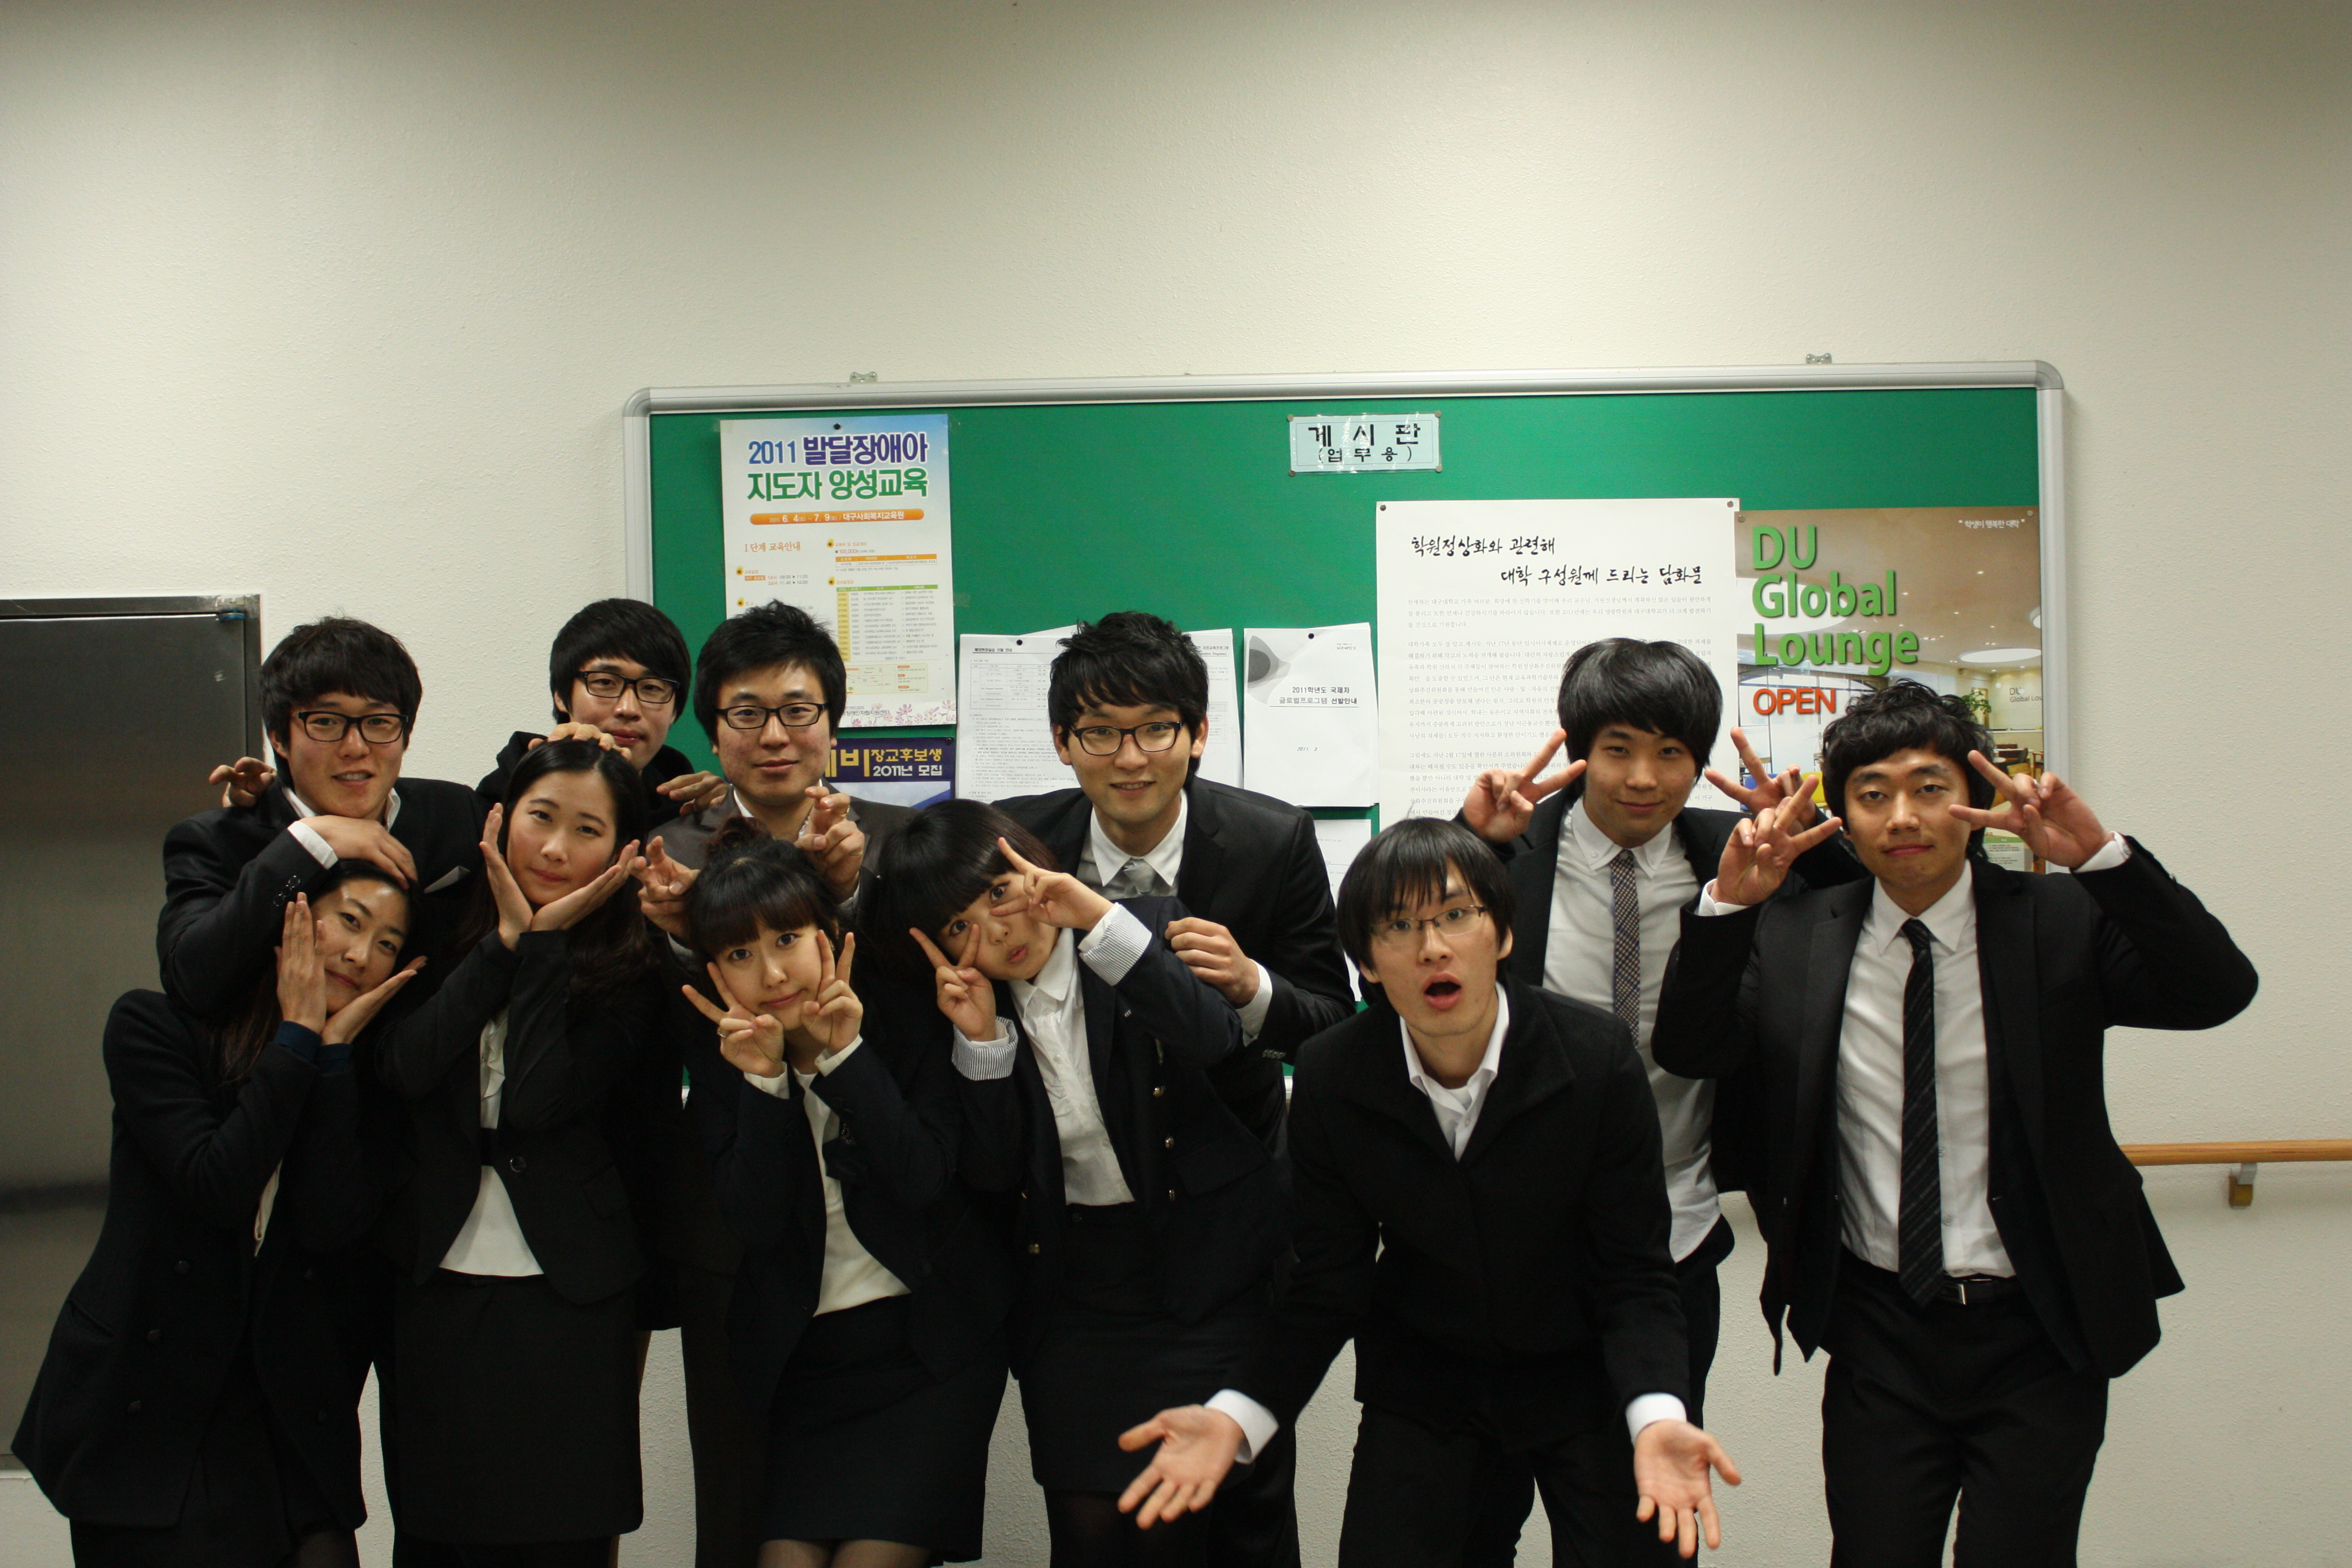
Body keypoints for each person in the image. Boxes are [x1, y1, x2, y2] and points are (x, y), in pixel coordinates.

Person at [1651, 680, 2258, 1566]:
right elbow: (1693, 1049)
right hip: (1879, 1327)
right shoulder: (1796, 934)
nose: (1903, 816)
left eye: (1929, 788)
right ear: (1843, 816)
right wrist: (1730, 908)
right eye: (1873, 794)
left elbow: (2218, 991)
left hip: (2041, 1326)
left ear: (1971, 802)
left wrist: (2103, 860)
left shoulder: (2059, 919)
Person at [1116, 818, 1741, 1567]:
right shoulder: (1333, 1074)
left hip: (1586, 1375)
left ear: (1502, 934)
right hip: (1427, 1382)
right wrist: (1237, 1414)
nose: (1433, 947)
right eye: (1400, 926)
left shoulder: (1595, 1059)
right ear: (1368, 963)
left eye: (1455, 915)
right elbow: (1327, 1284)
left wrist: (1658, 1415)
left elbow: (1635, 1274)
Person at [1455, 638, 1861, 1564]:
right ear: (1579, 751)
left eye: (1670, 752)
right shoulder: (1508, 853)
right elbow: (1396, 961)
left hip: (1669, 1241)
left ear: (1699, 759)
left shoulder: (1738, 851)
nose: (1643, 778)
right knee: (1470, 1525)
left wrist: (1818, 840)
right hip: (1507, 1246)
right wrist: (1473, 840)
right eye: (1617, 749)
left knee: (1637, 1528)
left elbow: (1868, 914)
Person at [995, 612, 1353, 1568]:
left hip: (1227, 1240)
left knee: (1239, 1522)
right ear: (1063, 740)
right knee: (1093, 1531)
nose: (1130, 757)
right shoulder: (1019, 844)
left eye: (1156, 727)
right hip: (1075, 1252)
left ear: (1198, 732)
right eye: (1100, 732)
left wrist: (1253, 987)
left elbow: (1334, 1026)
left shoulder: (1271, 840)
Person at [871, 800, 1288, 1568]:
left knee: (1186, 1535)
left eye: (999, 892)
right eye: (959, 925)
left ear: (1035, 868)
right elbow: (993, 1177)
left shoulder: (1141, 928)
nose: (996, 930)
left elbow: (1216, 1040)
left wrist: (1098, 920)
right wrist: (981, 1041)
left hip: (1203, 1281)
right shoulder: (965, 1005)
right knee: (1088, 1536)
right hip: (1074, 1301)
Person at [15, 868, 421, 1567]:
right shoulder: (155, 1027)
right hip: (149, 1409)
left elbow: (330, 1229)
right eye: (350, 921)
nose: (361, 955)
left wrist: (329, 1060)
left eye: (387, 943)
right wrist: (296, 1034)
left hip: (282, 1416)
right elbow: (217, 1185)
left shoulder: (364, 1080)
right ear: (291, 920)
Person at [631, 600, 916, 1567]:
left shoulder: (897, 842)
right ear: (713, 732)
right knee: (741, 1508)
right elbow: (649, 1030)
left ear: (833, 722)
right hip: (735, 1229)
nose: (775, 735)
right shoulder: (665, 856)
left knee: (879, 1515)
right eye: (746, 713)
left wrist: (849, 896)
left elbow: (921, 1009)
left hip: (885, 1228)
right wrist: (683, 939)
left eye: (798, 710)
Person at [671, 823, 1014, 1567]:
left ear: (828, 934)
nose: (772, 972)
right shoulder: (723, 1057)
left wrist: (846, 1055)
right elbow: (755, 1222)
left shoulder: (903, 1014)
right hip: (809, 1366)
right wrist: (765, 1082)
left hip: (930, 1353)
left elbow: (922, 1177)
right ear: (715, 970)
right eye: (740, 954)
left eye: (786, 939)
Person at [373, 741, 656, 1566]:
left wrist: (544, 947)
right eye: (541, 818)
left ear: (622, 851)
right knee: (437, 1532)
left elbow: (536, 1103)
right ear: (500, 819)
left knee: (566, 1536)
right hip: (435, 1271)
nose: (556, 849)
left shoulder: (633, 963)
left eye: (588, 830)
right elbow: (405, 1066)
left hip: (571, 1285)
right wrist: (502, 943)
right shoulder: (434, 924)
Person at [163, 615, 483, 1021]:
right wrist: (309, 843)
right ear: (279, 737)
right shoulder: (216, 840)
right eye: (326, 722)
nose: (356, 747)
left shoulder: (455, 812)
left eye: (379, 722)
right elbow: (191, 983)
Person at [473, 597, 727, 827]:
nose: (628, 709)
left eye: (652, 688)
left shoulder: (687, 814)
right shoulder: (496, 810)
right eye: (605, 683)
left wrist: (734, 814)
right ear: (561, 696)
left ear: (675, 710)